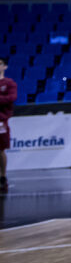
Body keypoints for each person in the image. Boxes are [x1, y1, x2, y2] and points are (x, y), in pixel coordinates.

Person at [0, 56, 14, 192]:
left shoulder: (9, 83)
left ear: (5, 66)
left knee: (1, 150)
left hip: (1, 121)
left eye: (0, 64)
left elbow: (11, 98)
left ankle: (3, 177)